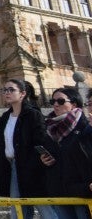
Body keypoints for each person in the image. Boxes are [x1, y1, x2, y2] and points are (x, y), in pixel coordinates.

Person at [0, 79, 54, 219]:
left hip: (30, 166)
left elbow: (40, 140)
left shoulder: (33, 114)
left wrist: (33, 162)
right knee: (19, 208)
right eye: (5, 90)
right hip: (11, 165)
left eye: (11, 90)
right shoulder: (4, 118)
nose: (7, 93)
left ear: (22, 93)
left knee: (44, 207)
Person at [39, 86, 92, 219]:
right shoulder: (49, 128)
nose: (56, 105)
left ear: (73, 104)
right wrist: (44, 161)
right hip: (58, 188)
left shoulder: (84, 126)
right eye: (53, 102)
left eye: (61, 101)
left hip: (81, 189)